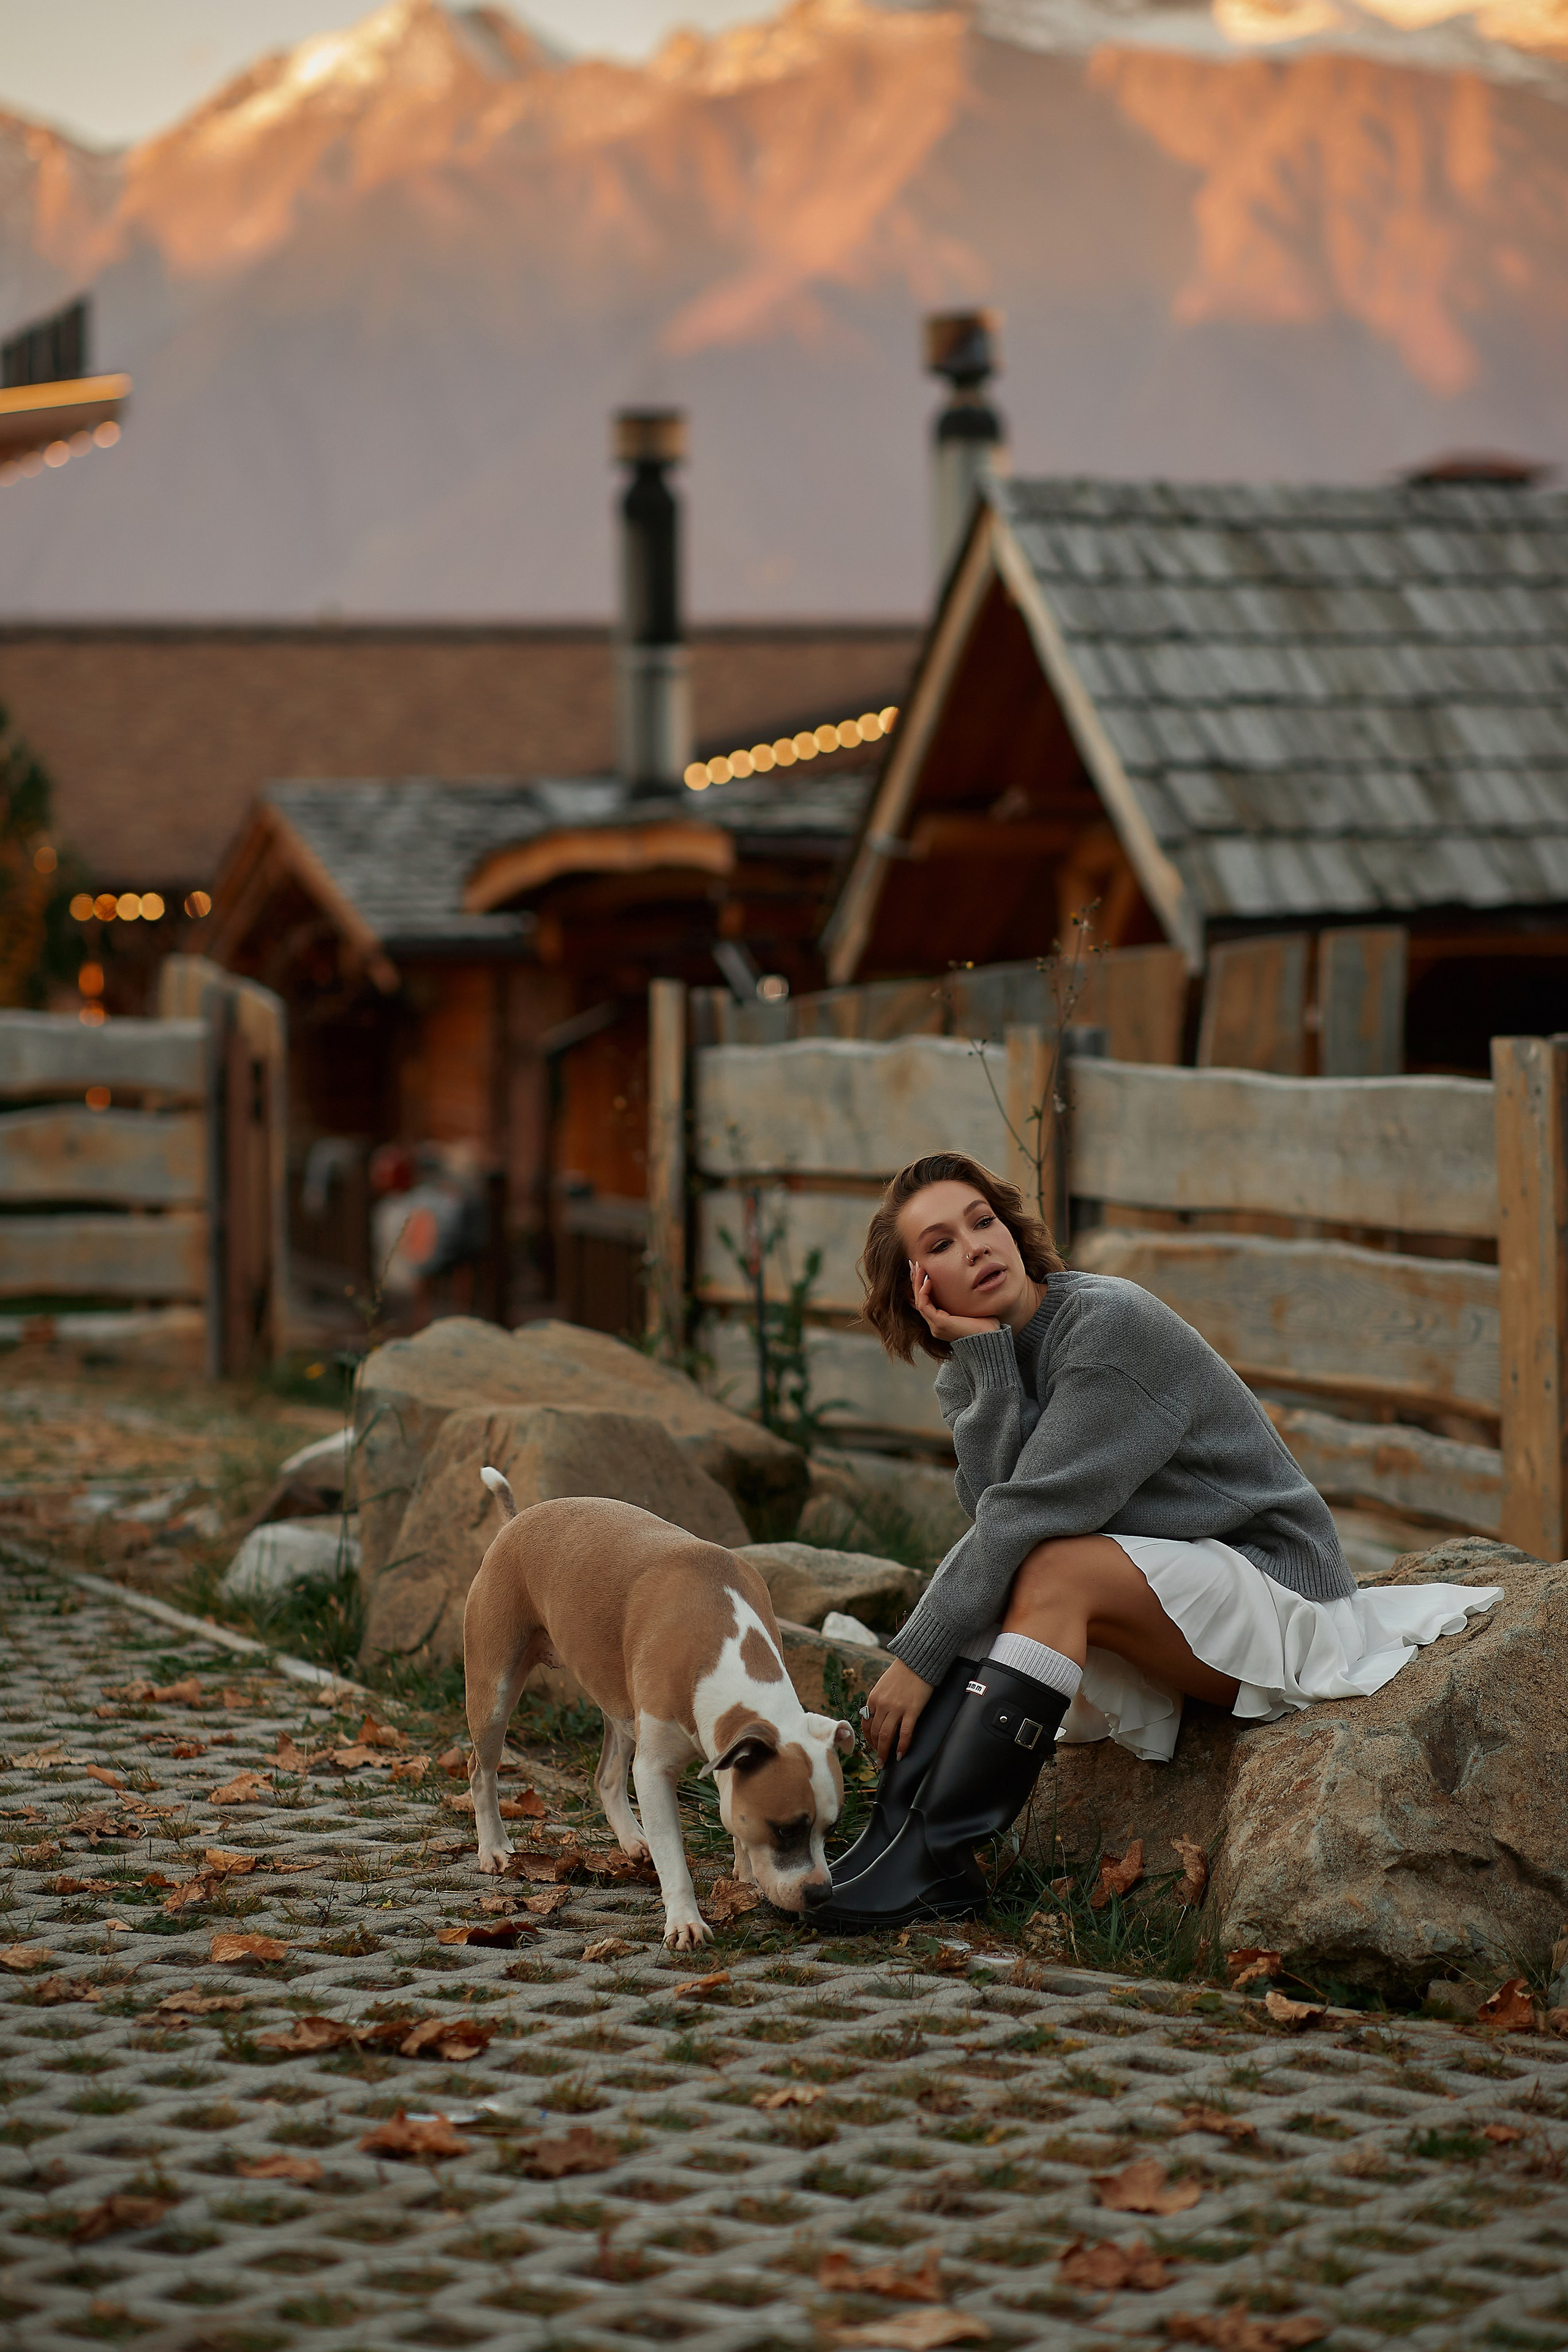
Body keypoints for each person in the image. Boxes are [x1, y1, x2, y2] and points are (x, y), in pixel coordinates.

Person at [817, 1150, 1501, 1928]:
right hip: (1174, 1593)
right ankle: (893, 1845)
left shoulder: (1110, 1327)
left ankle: (931, 1862)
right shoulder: (982, 1366)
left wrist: (915, 1655)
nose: (975, 1246)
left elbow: (1024, 1518)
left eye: (982, 1221)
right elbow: (995, 1519)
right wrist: (986, 1371)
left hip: (1274, 1585)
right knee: (1023, 1564)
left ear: (1010, 1229)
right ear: (917, 1287)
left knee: (1050, 1566)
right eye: (938, 1244)